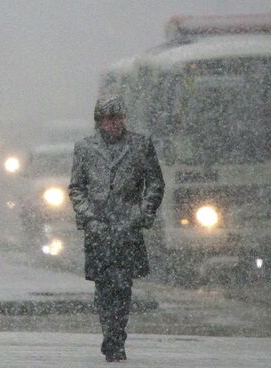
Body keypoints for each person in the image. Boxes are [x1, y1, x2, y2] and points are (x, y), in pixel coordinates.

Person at [69, 95, 165, 362]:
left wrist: (142, 212)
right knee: (104, 287)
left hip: (127, 228)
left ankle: (116, 336)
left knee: (123, 286)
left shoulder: (140, 145)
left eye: (118, 117)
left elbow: (155, 183)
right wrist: (89, 217)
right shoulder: (85, 148)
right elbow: (77, 187)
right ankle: (109, 332)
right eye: (109, 118)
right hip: (98, 229)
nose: (114, 123)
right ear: (99, 121)